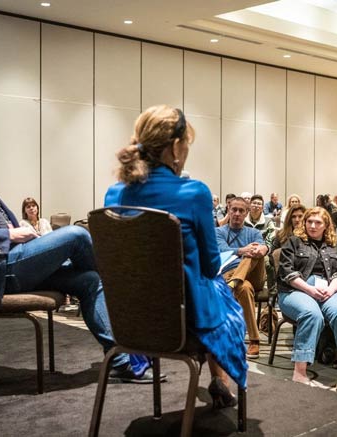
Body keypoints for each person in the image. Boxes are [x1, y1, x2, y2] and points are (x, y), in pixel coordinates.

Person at [0, 110, 143, 381]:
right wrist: (11, 236)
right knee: (76, 234)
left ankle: (120, 361)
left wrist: (20, 233)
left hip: (10, 262)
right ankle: (127, 303)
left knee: (89, 279)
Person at [103, 104, 246, 407]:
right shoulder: (194, 193)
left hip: (129, 322)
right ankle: (221, 380)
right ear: (176, 147)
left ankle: (219, 381)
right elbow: (209, 267)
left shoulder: (113, 195)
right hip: (181, 323)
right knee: (222, 295)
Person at [276, 207, 337, 391]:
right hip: (294, 290)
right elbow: (286, 273)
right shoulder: (294, 242)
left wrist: (331, 289)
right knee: (312, 315)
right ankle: (300, 373)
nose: (313, 225)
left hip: (326, 289)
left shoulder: (333, 245)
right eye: (309, 221)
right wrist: (310, 290)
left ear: (326, 225)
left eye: (318, 222)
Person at [216, 196, 266, 359]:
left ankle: (234, 281)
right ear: (228, 210)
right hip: (229, 273)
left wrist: (259, 250)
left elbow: (259, 248)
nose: (237, 213)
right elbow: (222, 250)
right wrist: (242, 250)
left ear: (246, 213)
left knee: (255, 252)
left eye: (241, 210)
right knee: (243, 288)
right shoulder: (219, 232)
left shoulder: (254, 232)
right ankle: (254, 340)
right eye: (234, 210)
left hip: (254, 275)